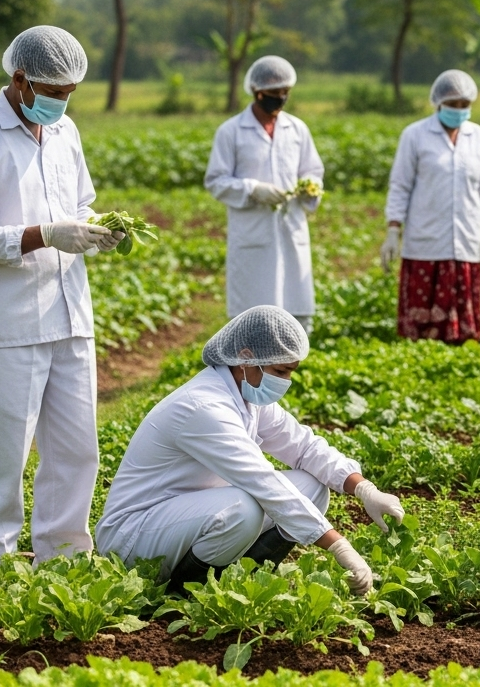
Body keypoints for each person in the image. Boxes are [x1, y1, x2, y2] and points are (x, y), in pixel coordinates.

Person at [0, 25, 124, 567]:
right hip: (12, 321)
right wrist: (43, 234)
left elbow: (82, 202)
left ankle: (64, 556)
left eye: (69, 95)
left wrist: (97, 228)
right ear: (20, 80)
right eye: (54, 93)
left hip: (70, 313)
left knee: (76, 450)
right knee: (2, 454)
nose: (62, 104)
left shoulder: (66, 133)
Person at [96, 306, 403, 592]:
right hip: (134, 535)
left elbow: (304, 447)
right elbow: (263, 482)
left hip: (187, 514)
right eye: (281, 371)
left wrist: (364, 490)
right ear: (245, 359)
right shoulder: (203, 407)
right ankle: (184, 592)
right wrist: (338, 545)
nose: (286, 381)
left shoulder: (247, 396)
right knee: (242, 510)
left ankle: (242, 580)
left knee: (311, 487)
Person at [380, 70, 480, 344]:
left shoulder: (478, 137)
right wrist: (393, 229)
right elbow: (400, 185)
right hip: (425, 241)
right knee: (422, 320)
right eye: (453, 105)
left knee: (462, 327)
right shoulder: (415, 135)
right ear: (438, 103)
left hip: (466, 240)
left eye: (465, 106)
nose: (459, 111)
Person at [205, 56, 324, 334]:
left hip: (291, 227)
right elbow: (215, 181)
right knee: (253, 318)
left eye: (285, 94)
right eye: (274, 94)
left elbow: (313, 169)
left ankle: (290, 367)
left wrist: (309, 186)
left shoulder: (297, 129)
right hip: (252, 234)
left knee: (296, 313)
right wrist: (252, 189)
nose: (281, 100)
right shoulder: (231, 131)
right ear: (258, 93)